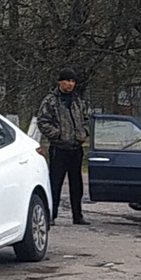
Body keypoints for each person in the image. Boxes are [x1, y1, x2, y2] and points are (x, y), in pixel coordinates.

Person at [37, 68, 91, 225]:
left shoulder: (78, 101)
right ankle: (52, 215)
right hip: (59, 148)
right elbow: (43, 121)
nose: (70, 84)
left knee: (77, 184)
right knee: (55, 183)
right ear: (60, 82)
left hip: (76, 148)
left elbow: (87, 119)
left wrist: (83, 133)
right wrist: (58, 135)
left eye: (73, 81)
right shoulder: (50, 101)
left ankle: (77, 215)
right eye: (67, 81)